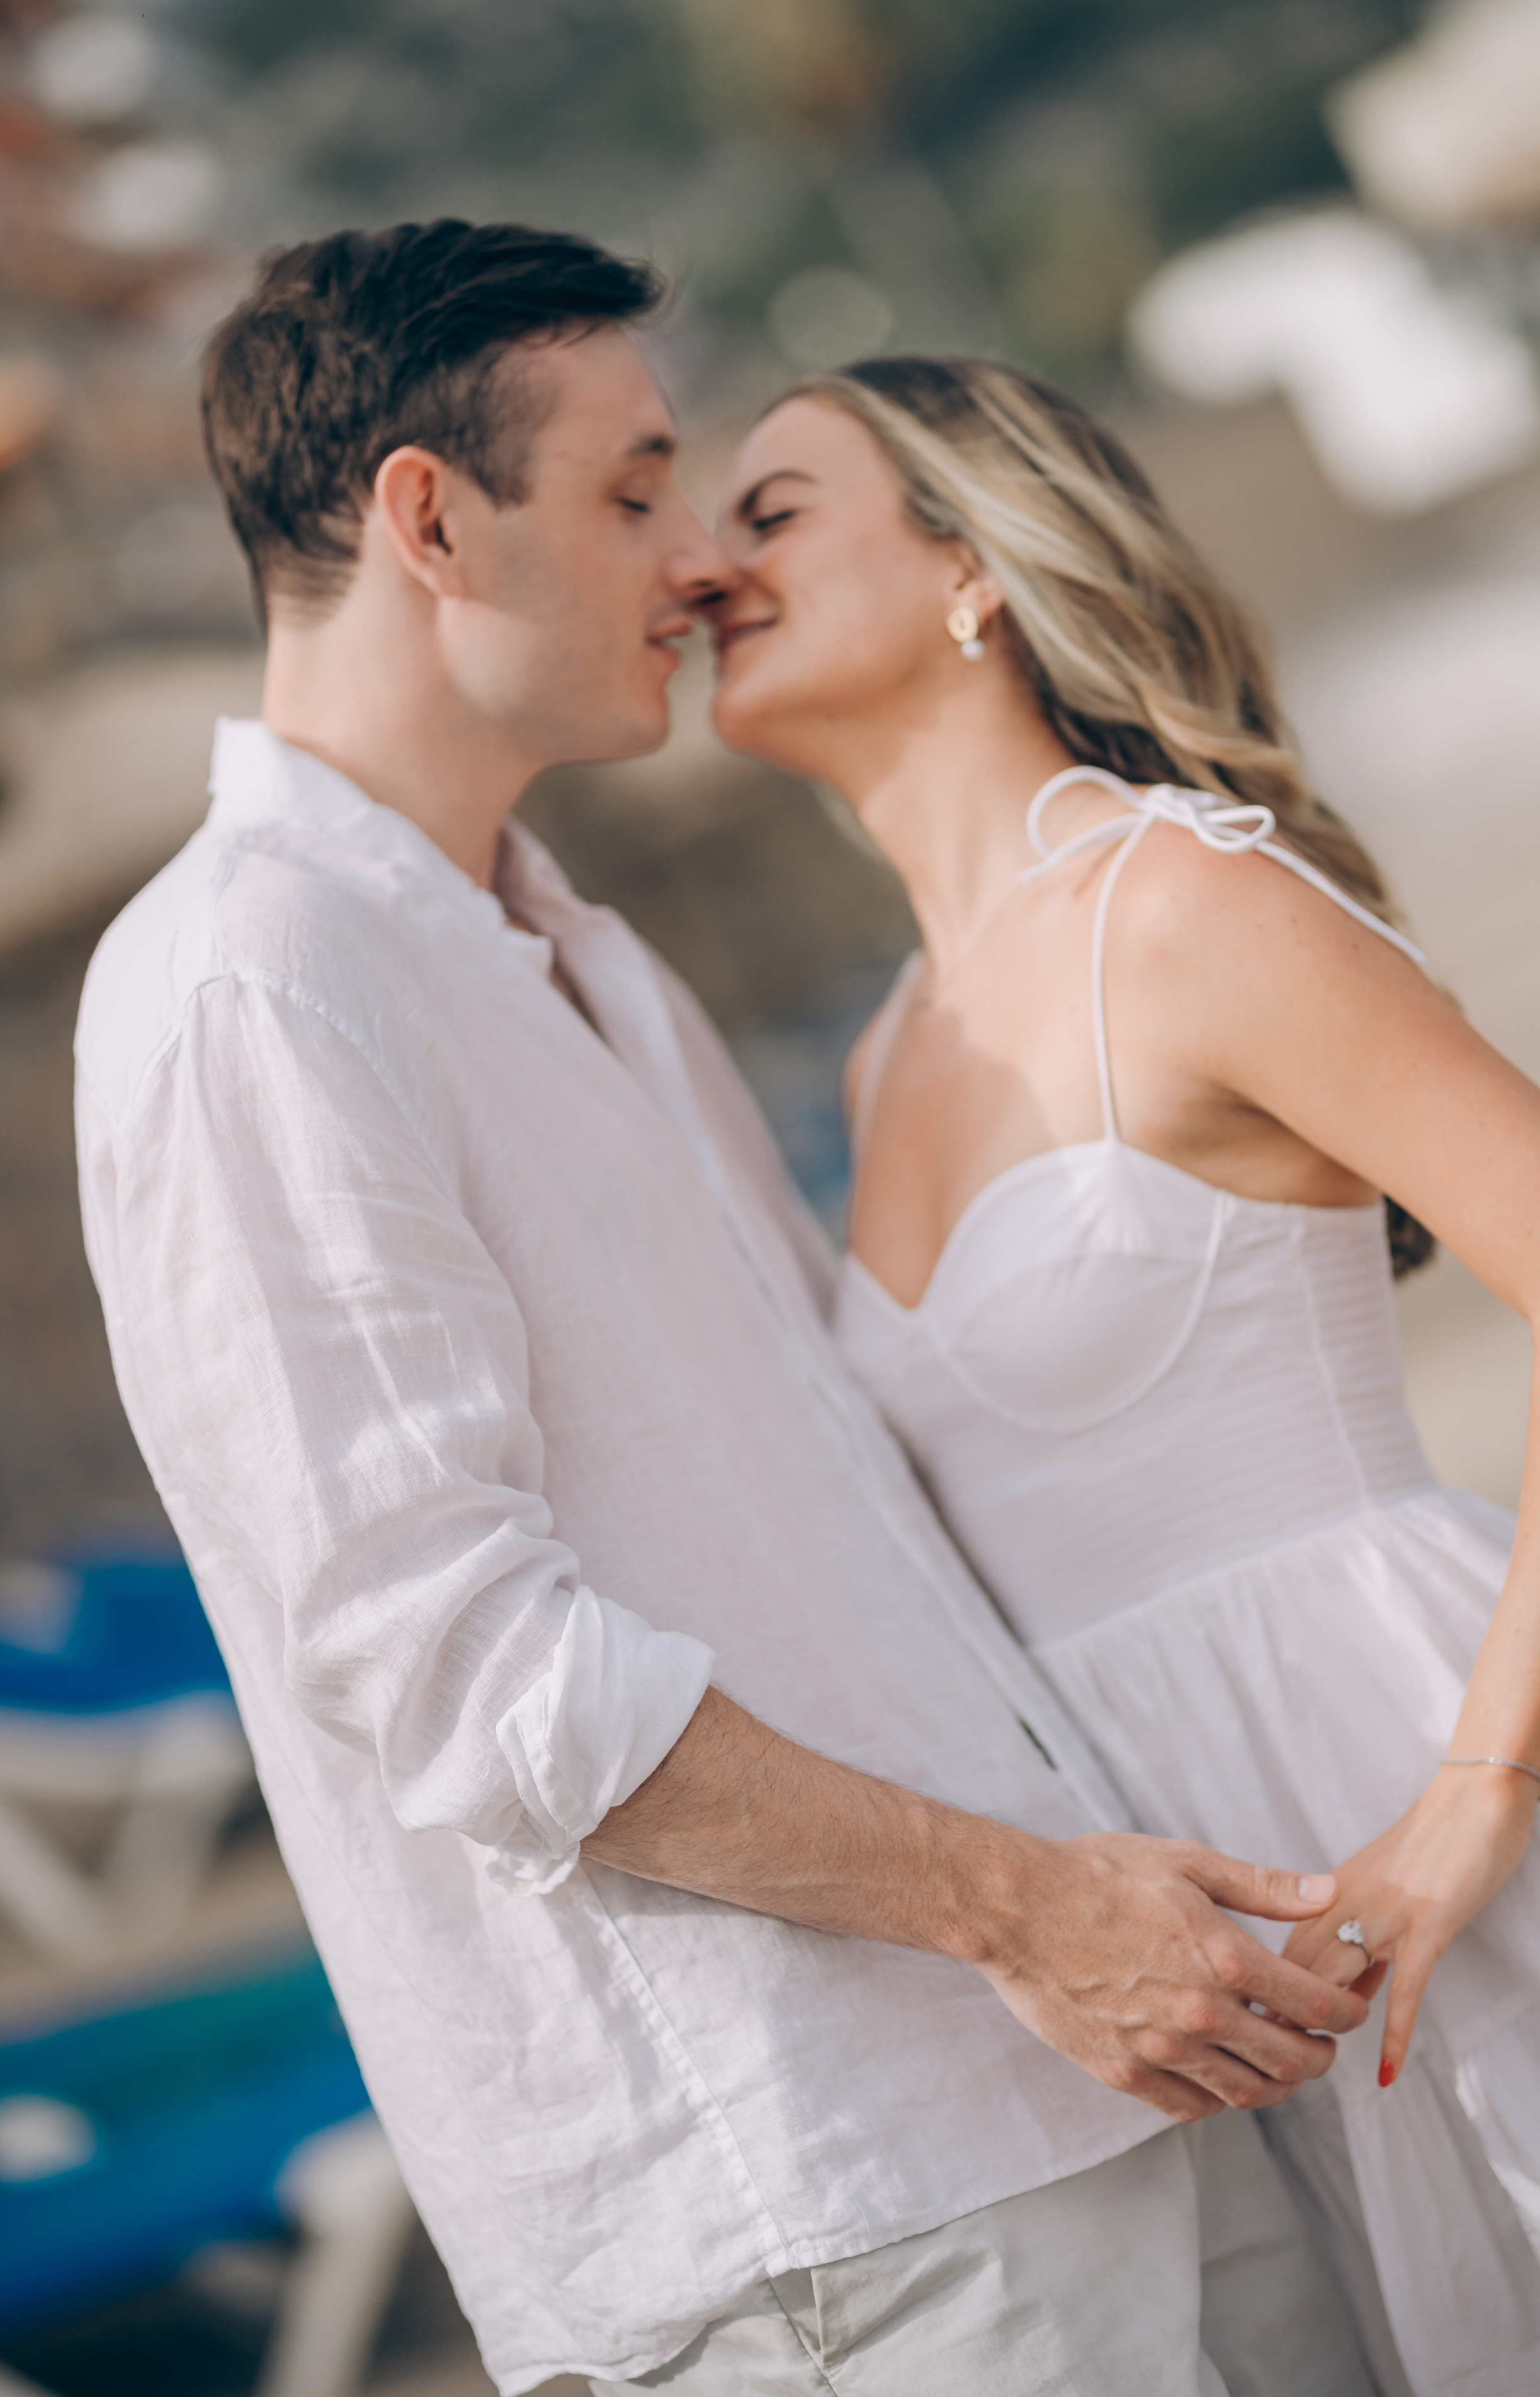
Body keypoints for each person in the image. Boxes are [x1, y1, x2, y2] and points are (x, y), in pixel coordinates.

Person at [72, 226, 1372, 2396]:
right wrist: (1029, 1912)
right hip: (826, 2209)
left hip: (1089, 2062)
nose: (694, 560)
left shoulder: (575, 951)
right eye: (634, 487)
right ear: (426, 517)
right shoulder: (252, 989)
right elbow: (461, 1666)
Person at [706, 353, 1540, 2396]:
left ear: (975, 568)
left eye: (777, 508)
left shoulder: (1181, 906)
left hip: (1408, 1805)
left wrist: (1469, 1794)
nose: (712, 562)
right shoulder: (885, 1048)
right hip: (1186, 1945)